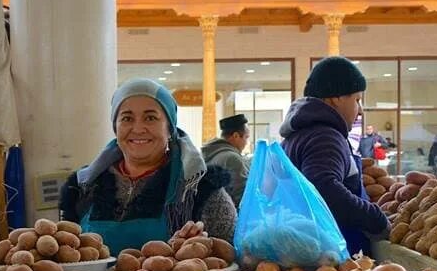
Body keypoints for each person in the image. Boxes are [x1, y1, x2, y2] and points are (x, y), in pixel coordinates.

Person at [59, 78, 237, 252]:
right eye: (127, 118)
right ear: (116, 128)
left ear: (170, 129)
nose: (138, 128)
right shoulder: (82, 188)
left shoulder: (202, 189)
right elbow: (66, 255)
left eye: (150, 118)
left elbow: (232, 258)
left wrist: (203, 251)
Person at [279, 56, 389, 256]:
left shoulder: (298, 135)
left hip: (304, 249)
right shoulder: (325, 137)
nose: (360, 110)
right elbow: (324, 188)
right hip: (330, 257)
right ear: (336, 98)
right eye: (357, 100)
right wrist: (376, 219)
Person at [201, 114, 250, 209]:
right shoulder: (232, 159)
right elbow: (242, 198)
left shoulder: (208, 153)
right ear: (236, 136)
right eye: (246, 137)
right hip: (229, 218)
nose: (246, 142)